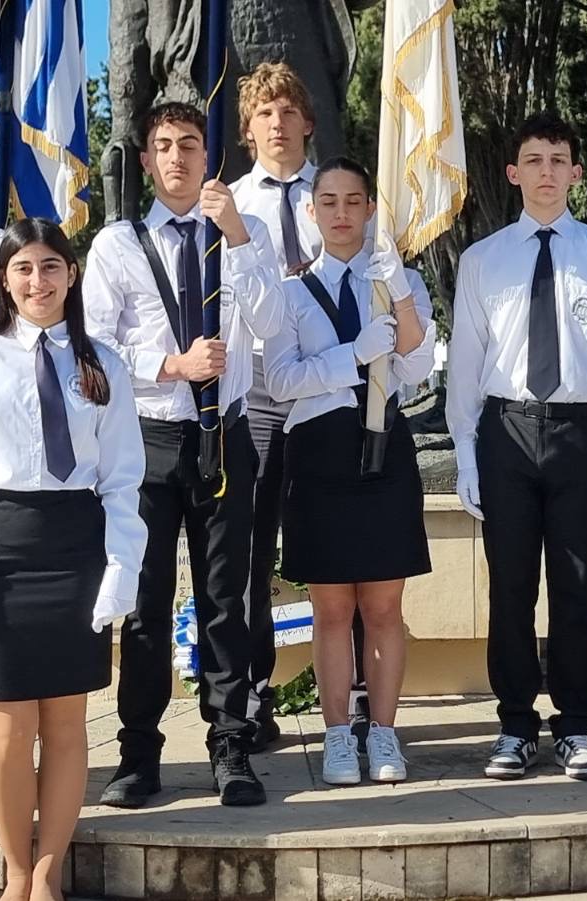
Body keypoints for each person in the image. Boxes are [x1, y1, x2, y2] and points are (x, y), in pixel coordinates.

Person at [0, 218, 146, 901]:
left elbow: (123, 477)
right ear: (3, 280)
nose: (37, 281)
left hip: (74, 547)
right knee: (7, 728)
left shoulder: (104, 362)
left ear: (71, 275)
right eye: (23, 268)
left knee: (66, 724)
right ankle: (15, 871)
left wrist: (122, 566)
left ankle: (48, 873)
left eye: (51, 266)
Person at [86, 101, 284, 807]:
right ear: (146, 160)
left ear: (209, 157)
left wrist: (239, 237)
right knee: (144, 605)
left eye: (190, 144)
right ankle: (138, 753)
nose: (177, 157)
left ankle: (231, 744)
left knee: (225, 599)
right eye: (164, 145)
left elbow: (273, 321)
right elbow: (96, 347)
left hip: (225, 436)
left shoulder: (244, 230)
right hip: (148, 439)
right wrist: (172, 365)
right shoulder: (117, 244)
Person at [447, 112, 587, 782]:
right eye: (534, 160)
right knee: (510, 588)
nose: (547, 172)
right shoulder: (483, 260)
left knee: (576, 587)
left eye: (559, 160)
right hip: (507, 432)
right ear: (513, 172)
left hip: (578, 434)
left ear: (576, 172)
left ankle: (578, 724)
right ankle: (514, 725)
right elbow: (466, 365)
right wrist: (465, 452)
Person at [264, 156, 434, 785]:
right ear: (311, 212)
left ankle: (383, 733)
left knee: (384, 607)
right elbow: (281, 381)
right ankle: (338, 735)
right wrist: (351, 356)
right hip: (318, 453)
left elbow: (417, 369)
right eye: (328, 202)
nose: (341, 213)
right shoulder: (289, 294)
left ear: (368, 210)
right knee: (331, 609)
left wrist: (401, 299)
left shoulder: (395, 281)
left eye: (353, 201)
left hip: (384, 446)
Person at [228, 62, 326, 749]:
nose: (278, 123)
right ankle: (254, 694)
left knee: (338, 544)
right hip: (258, 386)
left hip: (327, 384)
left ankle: (351, 696)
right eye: (264, 112)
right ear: (247, 130)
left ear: (308, 122)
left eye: (288, 110)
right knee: (253, 548)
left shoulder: (341, 195)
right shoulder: (229, 204)